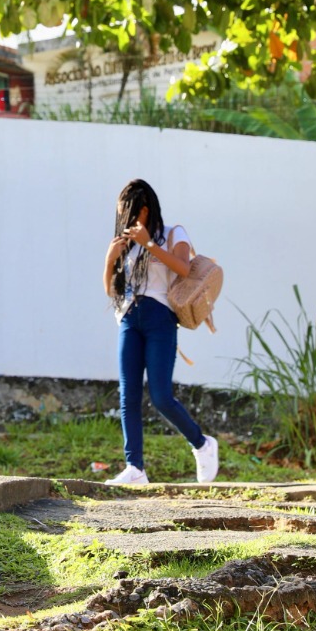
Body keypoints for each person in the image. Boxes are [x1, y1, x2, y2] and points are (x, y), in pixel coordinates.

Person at [102, 179, 220, 486]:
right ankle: (135, 468)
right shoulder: (126, 244)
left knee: (161, 396)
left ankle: (202, 444)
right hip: (129, 318)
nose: (125, 220)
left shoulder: (172, 233)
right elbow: (111, 290)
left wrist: (149, 244)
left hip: (160, 319)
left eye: (130, 213)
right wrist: (110, 260)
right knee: (128, 395)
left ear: (145, 209)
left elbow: (183, 268)